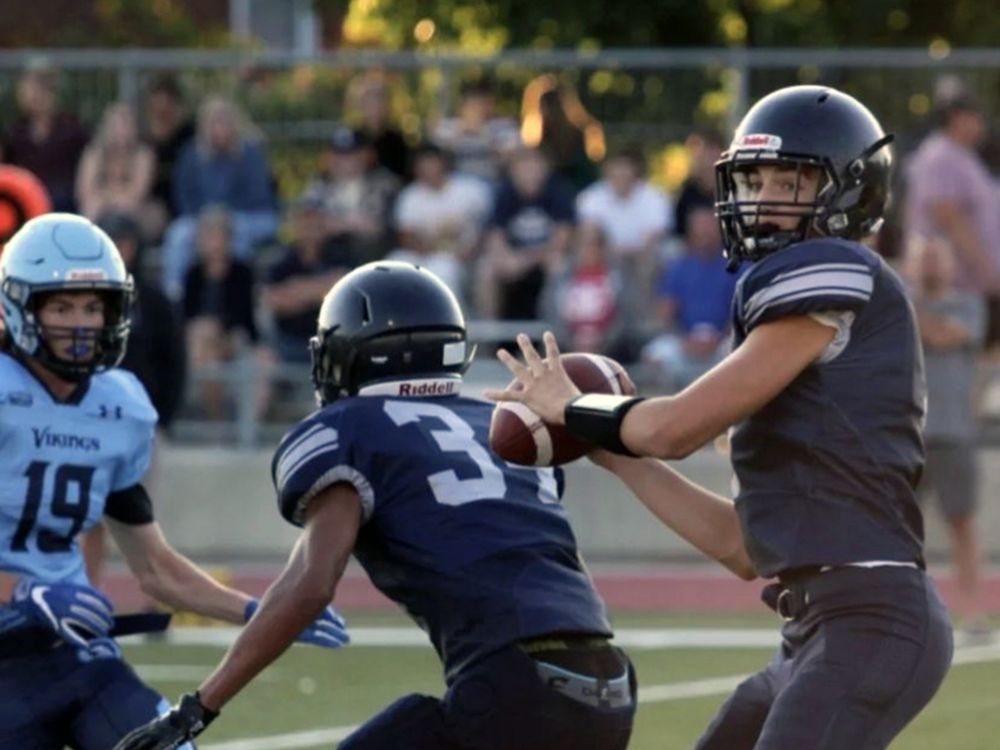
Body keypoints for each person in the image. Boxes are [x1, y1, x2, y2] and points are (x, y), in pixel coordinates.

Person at [488, 86, 953, 750]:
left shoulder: (835, 272)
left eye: (789, 180)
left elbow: (677, 429)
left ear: (848, 192)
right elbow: (740, 547)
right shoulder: (792, 332)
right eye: (755, 178)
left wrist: (574, 408)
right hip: (813, 631)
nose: (763, 196)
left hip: (871, 620)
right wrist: (607, 450)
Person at [114, 261, 637, 750]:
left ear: (350, 353)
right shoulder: (499, 423)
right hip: (611, 684)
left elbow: (310, 584)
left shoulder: (353, 428)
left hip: (513, 685)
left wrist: (197, 709)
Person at [0, 214, 347, 749]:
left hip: (71, 652)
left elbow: (156, 569)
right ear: (20, 307)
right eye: (62, 307)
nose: (82, 325)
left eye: (93, 307)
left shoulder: (116, 406)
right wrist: (24, 591)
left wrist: (264, 615)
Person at [904, 234, 989, 638]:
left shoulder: (967, 305)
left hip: (954, 432)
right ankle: (909, 614)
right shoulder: (900, 308)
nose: (932, 266)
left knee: (962, 525)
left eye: (938, 258)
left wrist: (908, 306)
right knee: (899, 528)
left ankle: (973, 613)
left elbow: (944, 336)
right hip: (908, 434)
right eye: (926, 259)